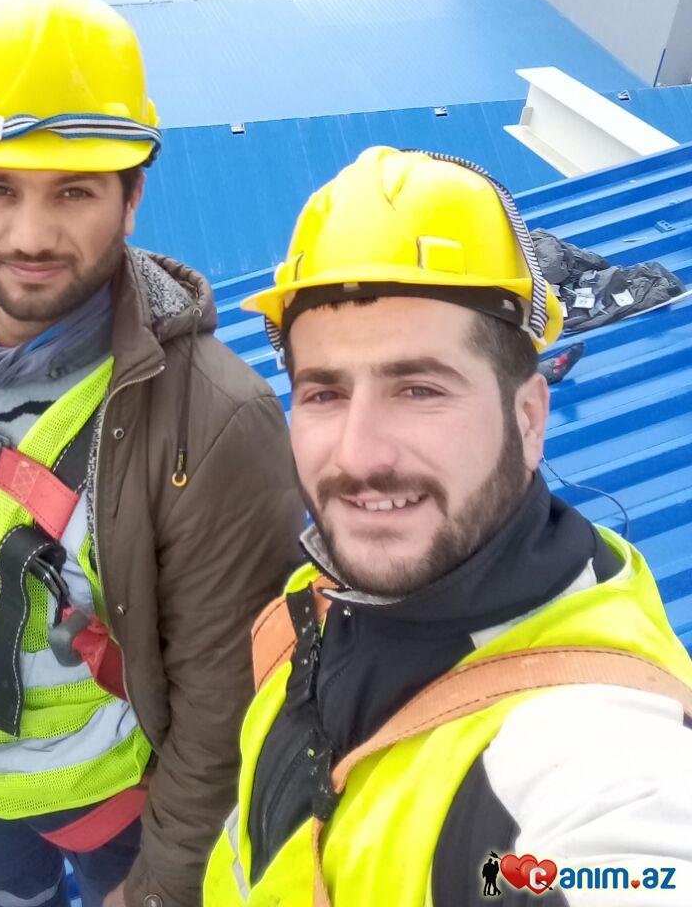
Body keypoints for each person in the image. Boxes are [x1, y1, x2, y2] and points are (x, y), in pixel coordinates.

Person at [0, 0, 303, 907]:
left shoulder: (215, 423)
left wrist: (159, 888)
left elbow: (224, 707)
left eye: (75, 192)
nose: (31, 236)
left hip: (112, 812)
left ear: (132, 198)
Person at [204, 146, 692, 906]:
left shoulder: (583, 761)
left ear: (528, 419)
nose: (358, 456)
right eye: (325, 394)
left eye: (420, 389)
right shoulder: (324, 599)